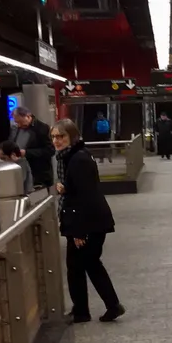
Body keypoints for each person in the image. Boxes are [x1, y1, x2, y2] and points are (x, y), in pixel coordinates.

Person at [52, 119, 125, 323]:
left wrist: (79, 232)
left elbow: (85, 195)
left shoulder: (78, 159)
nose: (57, 141)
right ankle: (88, 309)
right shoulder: (72, 157)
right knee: (82, 266)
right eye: (54, 137)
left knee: (86, 265)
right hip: (88, 220)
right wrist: (65, 186)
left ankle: (104, 307)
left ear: (72, 137)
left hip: (87, 223)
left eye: (61, 136)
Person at [9, 107, 55, 189]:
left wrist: (27, 153)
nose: (19, 125)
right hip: (21, 172)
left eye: (20, 122)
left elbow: (50, 150)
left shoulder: (42, 128)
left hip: (38, 175)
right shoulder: (16, 129)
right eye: (17, 122)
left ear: (28, 116)